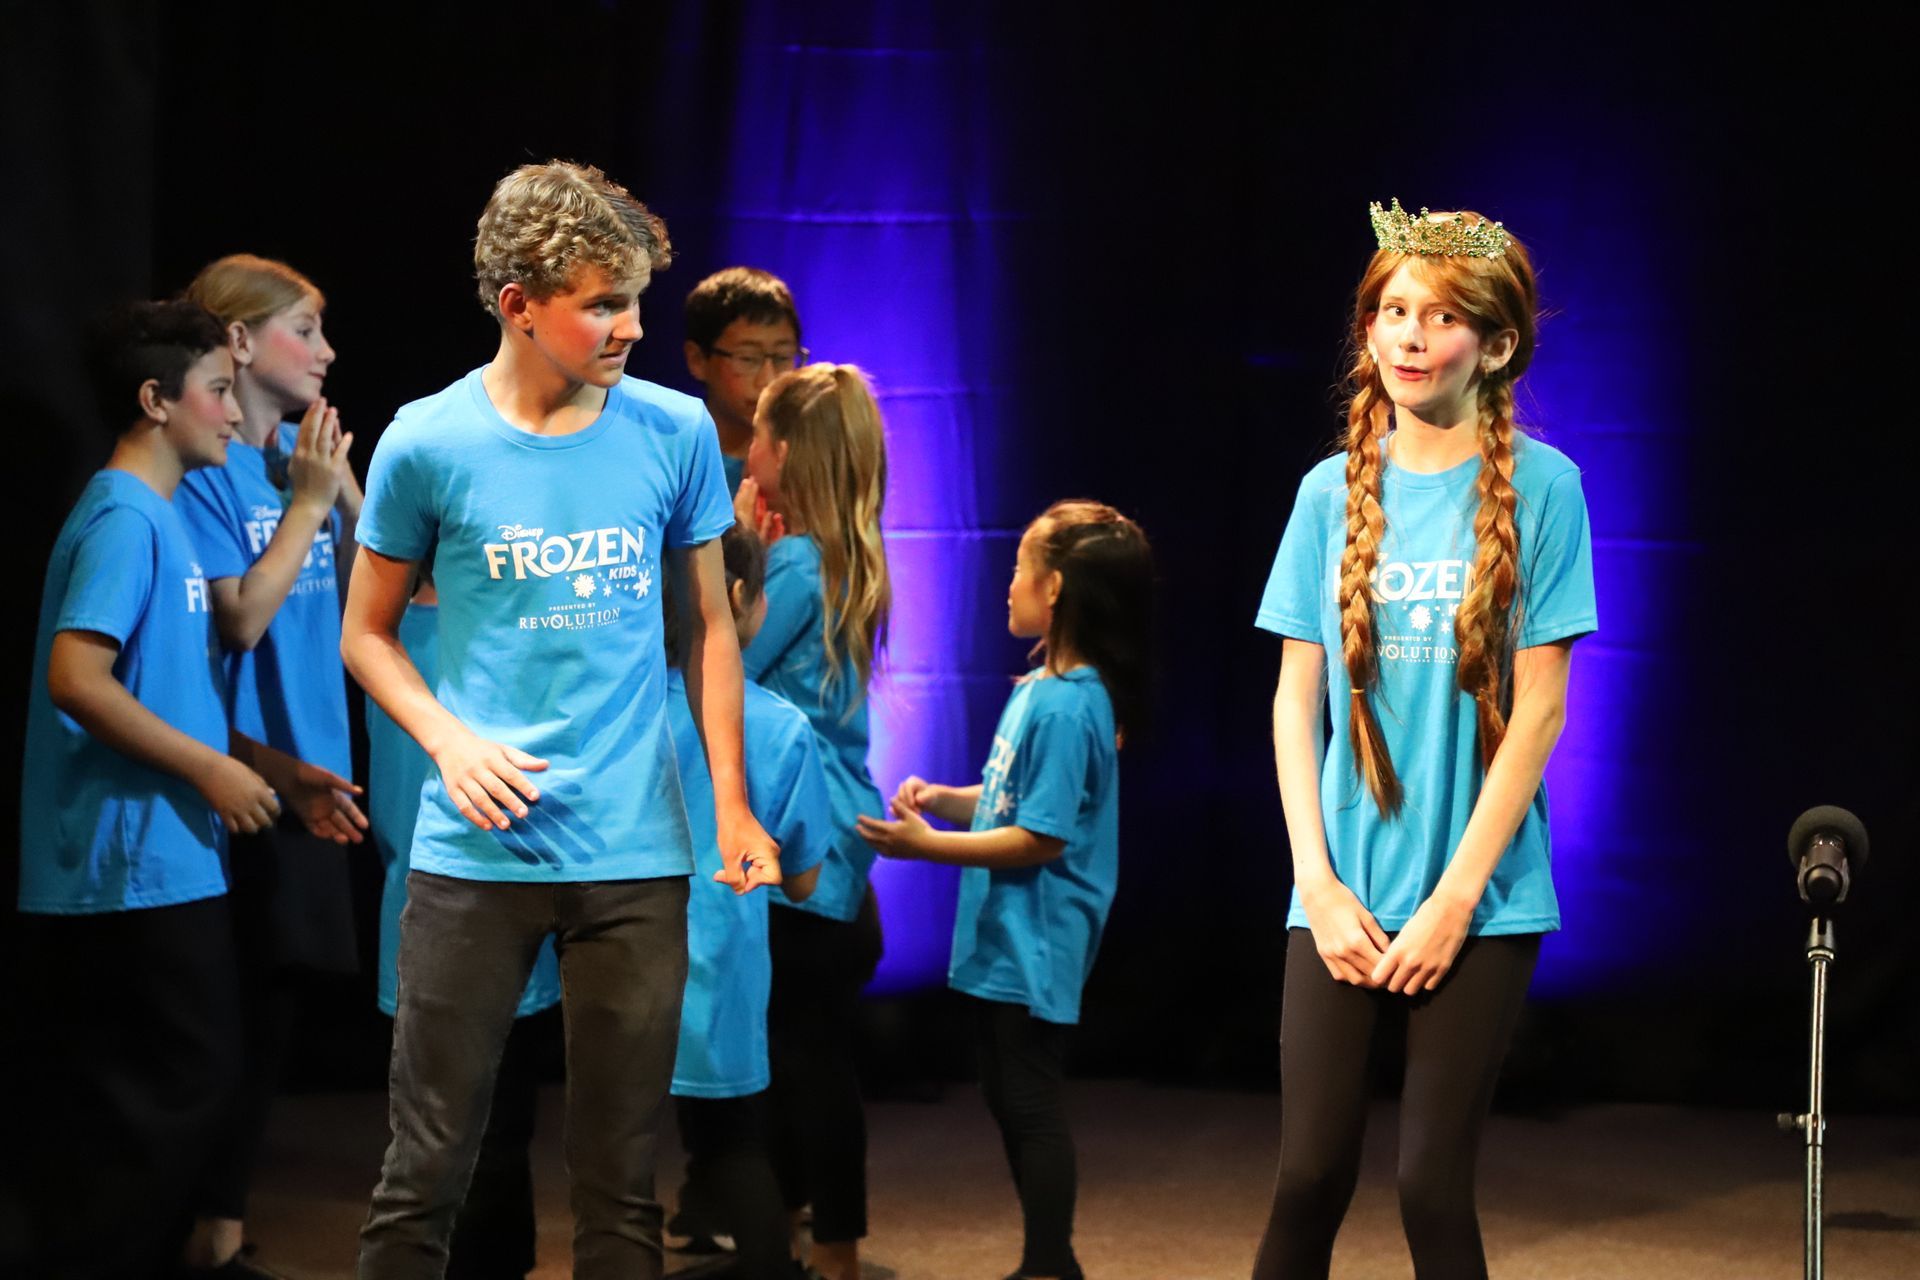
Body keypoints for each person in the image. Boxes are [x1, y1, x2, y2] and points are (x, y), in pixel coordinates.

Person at [341, 159, 780, 1280]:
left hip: (635, 854)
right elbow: (367, 633)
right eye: (602, 303)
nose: (632, 326)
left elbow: (710, 630)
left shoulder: (673, 430)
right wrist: (449, 740)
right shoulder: (427, 441)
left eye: (636, 300)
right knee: (423, 1171)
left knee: (620, 1188)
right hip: (474, 856)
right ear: (519, 305)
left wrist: (732, 805)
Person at [1249, 200, 1597, 1279]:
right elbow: (1293, 699)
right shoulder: (1326, 492)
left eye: (1441, 316)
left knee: (1430, 1186)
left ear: (1495, 346)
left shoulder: (1547, 488)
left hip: (1480, 897)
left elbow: (1541, 707)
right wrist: (1317, 884)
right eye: (1393, 311)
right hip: (1342, 891)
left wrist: (1455, 900)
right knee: (1309, 1174)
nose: (1409, 336)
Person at [11, 300, 362, 1279]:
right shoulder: (125, 516)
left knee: (194, 1083)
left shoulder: (158, 516)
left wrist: (274, 770)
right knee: (173, 1090)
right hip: (126, 865)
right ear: (155, 400)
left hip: (169, 859)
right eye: (215, 389)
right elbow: (78, 678)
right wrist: (211, 769)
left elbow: (167, 687)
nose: (233, 411)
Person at [859, 500, 1155, 1280]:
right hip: (1007, 936)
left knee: (1028, 1102)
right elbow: (1010, 802)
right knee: (1005, 1094)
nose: (1009, 583)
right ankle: (1051, 1261)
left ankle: (1048, 1264)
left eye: (1022, 568)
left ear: (1054, 588)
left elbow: (1041, 838)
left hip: (1037, 937)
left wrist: (926, 846)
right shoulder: (1040, 689)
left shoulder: (1067, 704)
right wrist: (944, 800)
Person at [175, 253, 365, 1277]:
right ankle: (206, 1232)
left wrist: (343, 495)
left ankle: (222, 1225)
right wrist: (304, 503)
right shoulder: (205, 468)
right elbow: (239, 621)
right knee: (229, 1014)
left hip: (316, 771)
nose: (326, 351)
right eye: (306, 328)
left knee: (277, 1011)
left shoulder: (303, 455)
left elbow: (382, 584)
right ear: (240, 342)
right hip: (236, 773)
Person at [366, 556, 562, 1280]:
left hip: (431, 915)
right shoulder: (500, 632)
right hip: (483, 914)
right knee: (478, 1141)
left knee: (443, 1141)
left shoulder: (380, 638)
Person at [738, 363, 891, 1280]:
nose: (746, 451)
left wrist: (736, 563)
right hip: (834, 837)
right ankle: (810, 1234)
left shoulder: (797, 565)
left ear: (786, 452)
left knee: (803, 1059)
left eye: (757, 435)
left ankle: (830, 1249)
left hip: (803, 839)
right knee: (810, 1055)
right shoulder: (844, 558)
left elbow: (725, 669)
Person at [663, 523, 830, 1280]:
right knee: (732, 1140)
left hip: (612, 961)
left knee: (614, 1154)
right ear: (737, 597)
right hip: (719, 963)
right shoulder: (782, 727)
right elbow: (803, 879)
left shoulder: (614, 714)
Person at [682, 266, 806, 499]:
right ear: (697, 360)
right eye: (748, 358)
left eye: (782, 357)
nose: (768, 380)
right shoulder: (675, 462)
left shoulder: (809, 463)